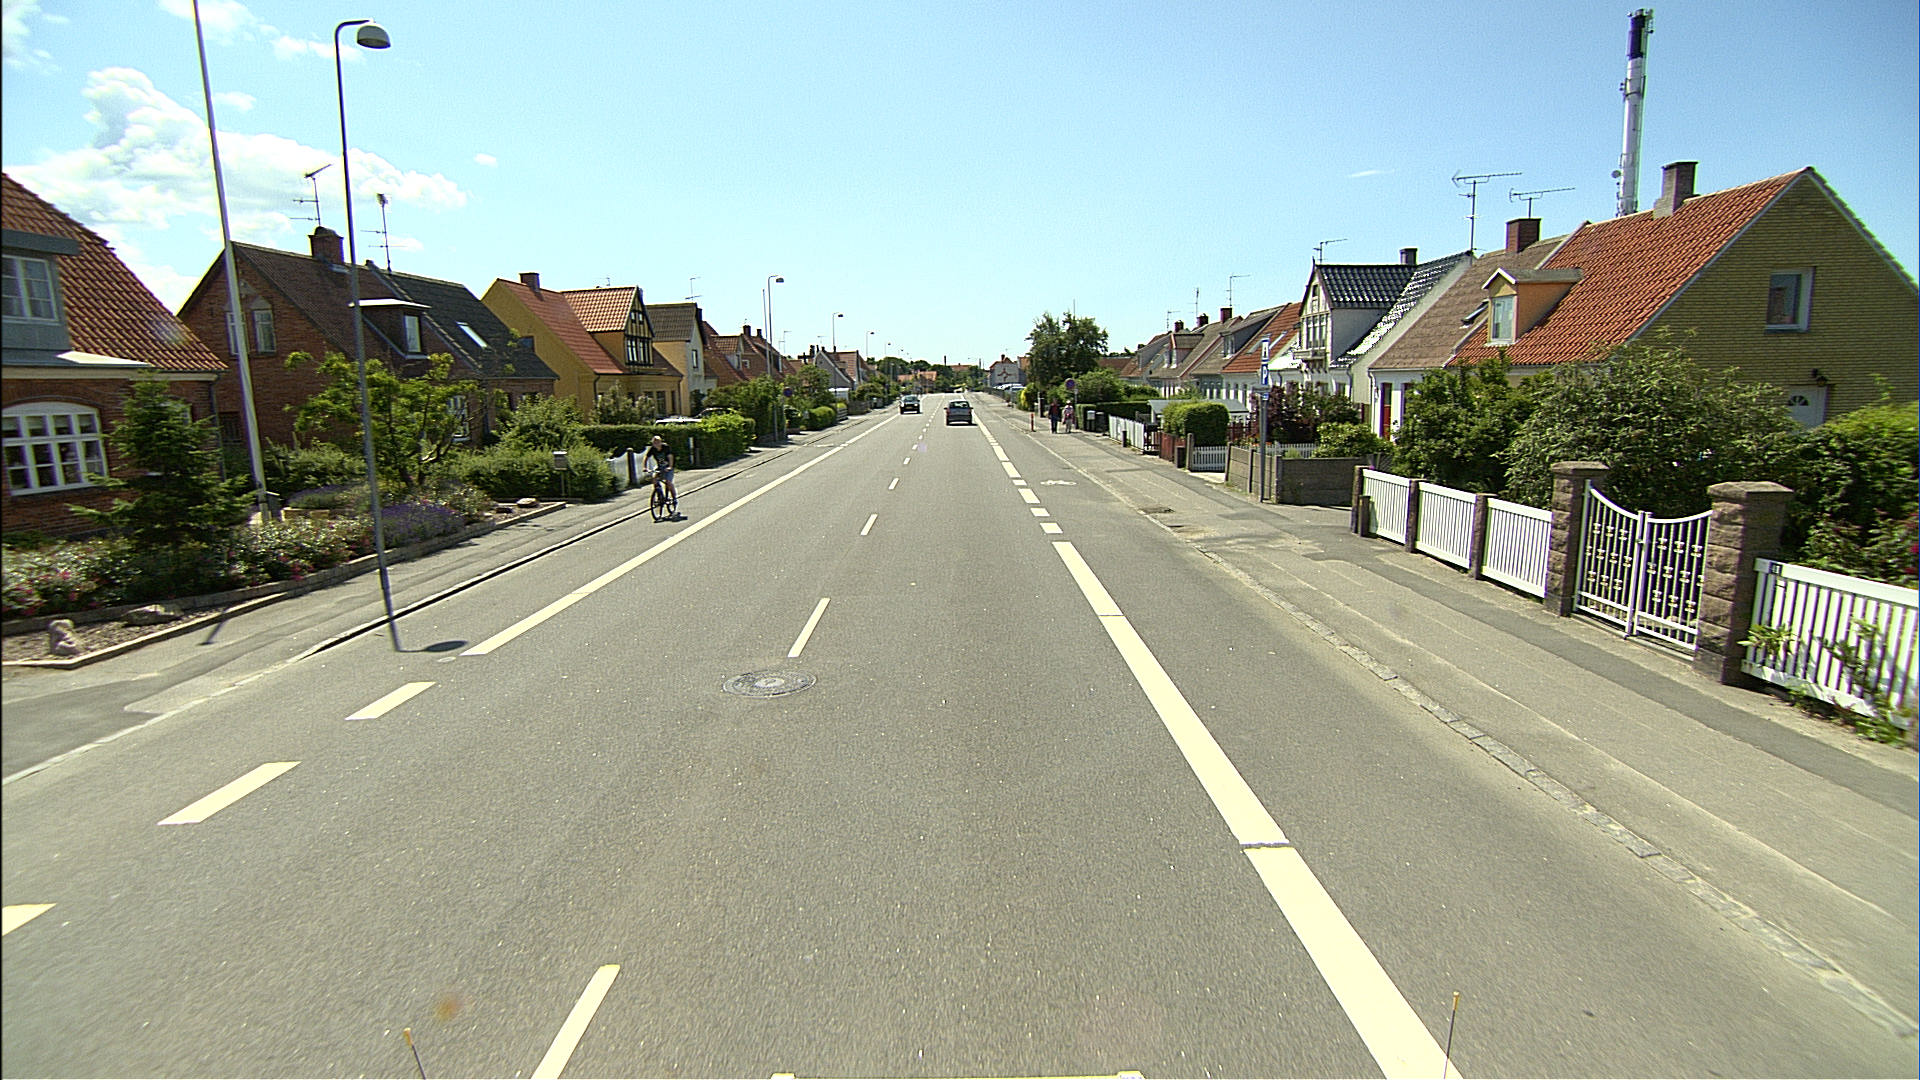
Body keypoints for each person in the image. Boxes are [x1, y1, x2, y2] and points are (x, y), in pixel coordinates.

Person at [642, 435, 681, 519]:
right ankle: (659, 493)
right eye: (654, 442)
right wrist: (644, 467)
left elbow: (670, 457)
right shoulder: (652, 449)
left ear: (660, 442)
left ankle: (674, 498)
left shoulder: (665, 447)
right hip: (659, 467)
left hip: (667, 467)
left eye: (658, 442)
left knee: (668, 482)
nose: (656, 444)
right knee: (654, 478)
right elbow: (646, 457)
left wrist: (670, 466)